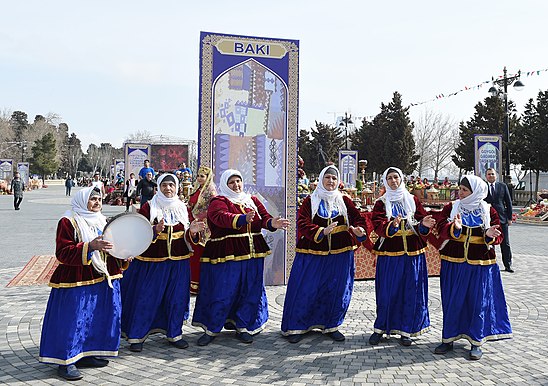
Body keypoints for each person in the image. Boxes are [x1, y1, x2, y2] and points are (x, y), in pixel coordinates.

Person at [192, 169, 290, 346]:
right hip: (227, 252)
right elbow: (220, 217)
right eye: (232, 182)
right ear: (225, 184)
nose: (236, 185)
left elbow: (263, 218)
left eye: (238, 181)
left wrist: (272, 223)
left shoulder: (252, 200)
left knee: (250, 290)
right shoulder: (218, 200)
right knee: (223, 290)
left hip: (252, 253)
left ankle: (243, 326)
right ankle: (212, 328)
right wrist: (242, 218)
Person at [38, 187, 127, 381]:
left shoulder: (103, 220)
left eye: (99, 199)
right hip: (76, 278)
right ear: (82, 200)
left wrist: (124, 252)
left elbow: (111, 248)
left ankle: (86, 353)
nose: (97, 203)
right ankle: (66, 360)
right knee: (73, 319)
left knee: (95, 317)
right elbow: (62, 252)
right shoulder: (68, 221)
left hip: (102, 277)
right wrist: (90, 246)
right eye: (92, 199)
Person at [281, 166, 367, 343]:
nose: (330, 181)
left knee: (336, 289)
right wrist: (321, 231)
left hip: (341, 252)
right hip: (312, 252)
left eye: (334, 178)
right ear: (321, 179)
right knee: (306, 288)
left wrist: (359, 229)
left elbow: (358, 218)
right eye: (327, 177)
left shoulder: (345, 201)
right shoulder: (310, 201)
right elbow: (302, 223)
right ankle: (297, 326)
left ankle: (331, 325)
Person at [121, 173, 205, 352]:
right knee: (147, 298)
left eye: (171, 185)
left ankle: (174, 333)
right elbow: (137, 233)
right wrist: (153, 229)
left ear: (176, 187)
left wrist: (194, 231)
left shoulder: (183, 207)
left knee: (176, 299)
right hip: (152, 262)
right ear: (158, 187)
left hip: (179, 262)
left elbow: (189, 237)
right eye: (165, 185)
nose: (168, 189)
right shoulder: (148, 207)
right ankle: (137, 336)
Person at [433, 175, 512, 360]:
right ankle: (448, 339)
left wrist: (490, 234)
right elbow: (440, 226)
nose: (460, 193)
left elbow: (498, 234)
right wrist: (455, 227)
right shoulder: (451, 207)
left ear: (475, 191)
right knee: (452, 300)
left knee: (477, 302)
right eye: (459, 189)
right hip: (454, 262)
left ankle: (476, 342)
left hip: (480, 264)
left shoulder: (488, 210)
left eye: (465, 190)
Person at [368, 167, 436, 346]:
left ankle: (407, 329)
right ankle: (381, 327)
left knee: (411, 291)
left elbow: (422, 222)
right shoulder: (381, 203)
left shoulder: (412, 199)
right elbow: (377, 225)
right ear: (385, 181)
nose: (393, 181)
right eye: (389, 178)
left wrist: (424, 225)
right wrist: (392, 226)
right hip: (390, 253)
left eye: (396, 177)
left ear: (401, 179)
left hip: (413, 253)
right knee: (387, 292)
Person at [187, 166, 217, 295]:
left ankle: (202, 285)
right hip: (192, 224)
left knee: (200, 254)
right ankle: (192, 284)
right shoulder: (196, 189)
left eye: (202, 176)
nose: (199, 178)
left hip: (204, 227)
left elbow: (213, 208)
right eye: (198, 176)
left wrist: (198, 216)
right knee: (193, 254)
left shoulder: (211, 191)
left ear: (208, 177)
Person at [484, 168, 514, 272]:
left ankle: (508, 265)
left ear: (496, 175)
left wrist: (509, 218)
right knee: (490, 243)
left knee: (505, 242)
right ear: (486, 176)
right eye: (488, 174)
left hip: (502, 218)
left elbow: (508, 202)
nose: (491, 176)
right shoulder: (483, 187)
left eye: (492, 174)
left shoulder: (502, 186)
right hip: (488, 219)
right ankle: (490, 264)